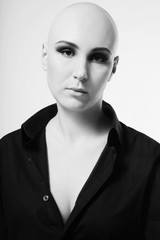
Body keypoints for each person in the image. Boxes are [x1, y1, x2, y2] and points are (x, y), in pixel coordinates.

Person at [0, 2, 160, 239]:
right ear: (45, 56)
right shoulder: (6, 154)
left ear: (113, 68)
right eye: (67, 51)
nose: (81, 72)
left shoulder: (150, 161)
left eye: (97, 57)